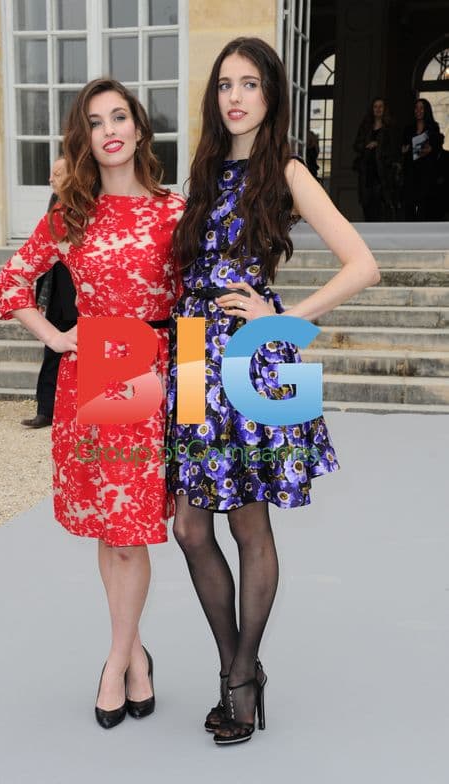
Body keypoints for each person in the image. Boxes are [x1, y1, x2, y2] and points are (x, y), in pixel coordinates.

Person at [166, 37, 380, 746]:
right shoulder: (200, 173)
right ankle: (241, 668)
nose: (235, 96)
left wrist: (284, 316)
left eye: (249, 83)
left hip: (251, 359)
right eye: (225, 83)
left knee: (247, 524)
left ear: (271, 95)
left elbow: (363, 264)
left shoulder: (283, 170)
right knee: (190, 525)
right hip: (194, 356)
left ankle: (240, 675)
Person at [0, 78, 185, 729]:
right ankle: (132, 657)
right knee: (113, 527)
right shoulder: (72, 216)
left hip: (152, 370)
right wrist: (56, 336)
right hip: (102, 366)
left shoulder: (173, 211)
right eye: (96, 120)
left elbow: (194, 303)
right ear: (85, 136)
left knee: (131, 531)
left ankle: (117, 660)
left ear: (138, 129)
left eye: (121, 116)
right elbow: (13, 280)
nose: (110, 128)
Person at [21, 156, 79, 429]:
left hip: (81, 294)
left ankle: (78, 413)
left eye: (57, 174)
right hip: (57, 289)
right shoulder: (54, 206)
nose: (51, 179)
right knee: (52, 351)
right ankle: (45, 409)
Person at [353, 97, 396, 221]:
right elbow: (356, 145)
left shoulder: (389, 128)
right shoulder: (366, 127)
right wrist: (367, 145)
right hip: (367, 173)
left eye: (380, 106)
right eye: (375, 106)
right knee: (367, 207)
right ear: (372, 109)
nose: (378, 109)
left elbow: (393, 149)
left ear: (384, 109)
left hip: (382, 174)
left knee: (380, 208)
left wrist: (379, 146)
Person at [401, 98, 443, 220]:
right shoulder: (408, 129)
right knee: (409, 206)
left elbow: (436, 150)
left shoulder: (433, 128)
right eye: (416, 108)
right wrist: (404, 150)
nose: (418, 111)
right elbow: (403, 147)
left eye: (421, 108)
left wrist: (430, 149)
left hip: (426, 173)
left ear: (426, 110)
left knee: (425, 207)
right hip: (411, 172)